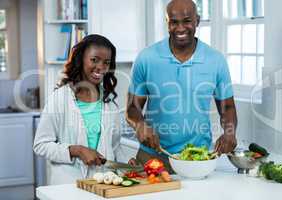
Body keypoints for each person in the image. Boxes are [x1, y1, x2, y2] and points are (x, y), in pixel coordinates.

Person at [126, 0, 237, 171]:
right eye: (174, 22)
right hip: (152, 156)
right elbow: (132, 108)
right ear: (167, 22)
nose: (180, 28)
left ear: (197, 21)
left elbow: (227, 106)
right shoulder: (147, 58)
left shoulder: (216, 60)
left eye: (186, 21)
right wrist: (140, 125)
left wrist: (229, 132)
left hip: (197, 159)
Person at [34, 34, 136, 185]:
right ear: (80, 59)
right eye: (94, 60)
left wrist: (126, 161)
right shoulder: (59, 99)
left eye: (106, 63)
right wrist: (77, 150)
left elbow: (113, 147)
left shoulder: (109, 103)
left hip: (103, 185)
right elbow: (41, 145)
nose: (101, 67)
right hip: (68, 185)